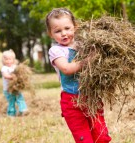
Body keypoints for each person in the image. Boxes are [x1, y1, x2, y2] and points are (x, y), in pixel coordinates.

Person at [46, 8, 112, 143]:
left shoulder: (84, 45)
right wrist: (88, 60)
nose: (64, 34)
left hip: (92, 98)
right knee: (84, 139)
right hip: (71, 102)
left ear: (75, 27)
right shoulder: (56, 51)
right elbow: (66, 68)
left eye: (67, 28)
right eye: (58, 31)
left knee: (102, 137)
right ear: (50, 34)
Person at [1, 49, 28, 116]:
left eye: (10, 59)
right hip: (8, 89)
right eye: (6, 59)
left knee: (20, 98)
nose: (8, 61)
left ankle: (23, 110)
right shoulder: (4, 68)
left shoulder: (14, 67)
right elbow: (5, 76)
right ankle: (11, 114)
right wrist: (12, 77)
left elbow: (19, 73)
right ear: (3, 61)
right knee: (11, 101)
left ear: (13, 60)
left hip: (16, 87)